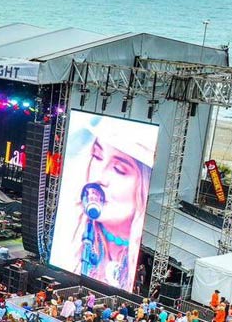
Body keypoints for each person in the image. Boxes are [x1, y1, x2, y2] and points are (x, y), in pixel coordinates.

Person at [50, 113, 158, 291]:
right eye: (97, 156)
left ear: (143, 186)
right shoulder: (67, 236)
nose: (100, 177)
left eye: (119, 169)